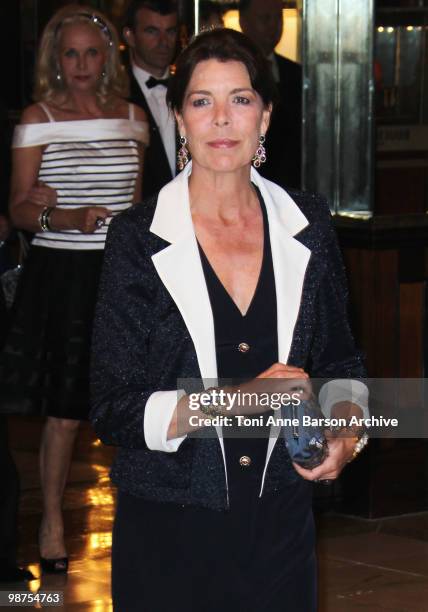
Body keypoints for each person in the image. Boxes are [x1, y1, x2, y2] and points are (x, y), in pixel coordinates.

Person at [91, 28, 367, 612]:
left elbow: (343, 365)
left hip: (280, 524)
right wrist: (242, 400)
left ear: (264, 117)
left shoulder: (309, 225)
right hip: (170, 525)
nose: (222, 119)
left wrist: (346, 432)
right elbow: (114, 408)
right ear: (180, 119)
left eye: (240, 100)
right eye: (201, 101)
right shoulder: (137, 238)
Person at [0, 4, 149, 574]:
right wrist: (61, 219)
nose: (83, 63)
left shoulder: (133, 117)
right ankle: (53, 523)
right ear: (55, 60)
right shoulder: (38, 118)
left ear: (108, 56)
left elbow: (136, 208)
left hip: (120, 274)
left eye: (93, 52)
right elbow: (17, 209)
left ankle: (139, 518)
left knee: (130, 403)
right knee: (64, 412)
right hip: (61, 274)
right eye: (71, 53)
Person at [239, 0, 302, 189]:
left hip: (292, 185)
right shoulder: (234, 73)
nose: (273, 26)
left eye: (278, 18)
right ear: (244, 21)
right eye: (265, 18)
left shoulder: (296, 73)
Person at [123, 0, 179, 199]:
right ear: (130, 36)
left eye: (170, 32)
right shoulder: (115, 97)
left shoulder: (191, 91)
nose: (163, 42)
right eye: (152, 31)